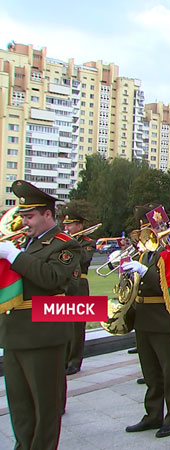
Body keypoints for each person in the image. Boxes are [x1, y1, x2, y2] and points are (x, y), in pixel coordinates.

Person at [0, 180, 80, 450]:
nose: (24, 222)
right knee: (19, 407)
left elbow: (52, 278)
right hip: (14, 335)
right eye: (21, 216)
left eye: (30, 216)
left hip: (43, 333)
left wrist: (13, 255)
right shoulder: (21, 243)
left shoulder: (65, 245)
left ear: (48, 214)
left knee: (45, 408)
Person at [121, 203, 170, 438]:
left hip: (163, 318)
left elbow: (166, 284)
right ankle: (152, 414)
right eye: (142, 228)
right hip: (143, 318)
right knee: (150, 373)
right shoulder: (142, 251)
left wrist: (142, 271)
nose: (145, 233)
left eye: (149, 227)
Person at [61, 207, 96, 376]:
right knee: (63, 323)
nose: (67, 228)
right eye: (66, 225)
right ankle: (63, 358)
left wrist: (71, 243)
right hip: (64, 283)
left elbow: (83, 259)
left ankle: (75, 361)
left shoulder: (88, 242)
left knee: (76, 325)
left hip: (80, 282)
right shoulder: (63, 240)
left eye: (70, 225)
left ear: (79, 226)